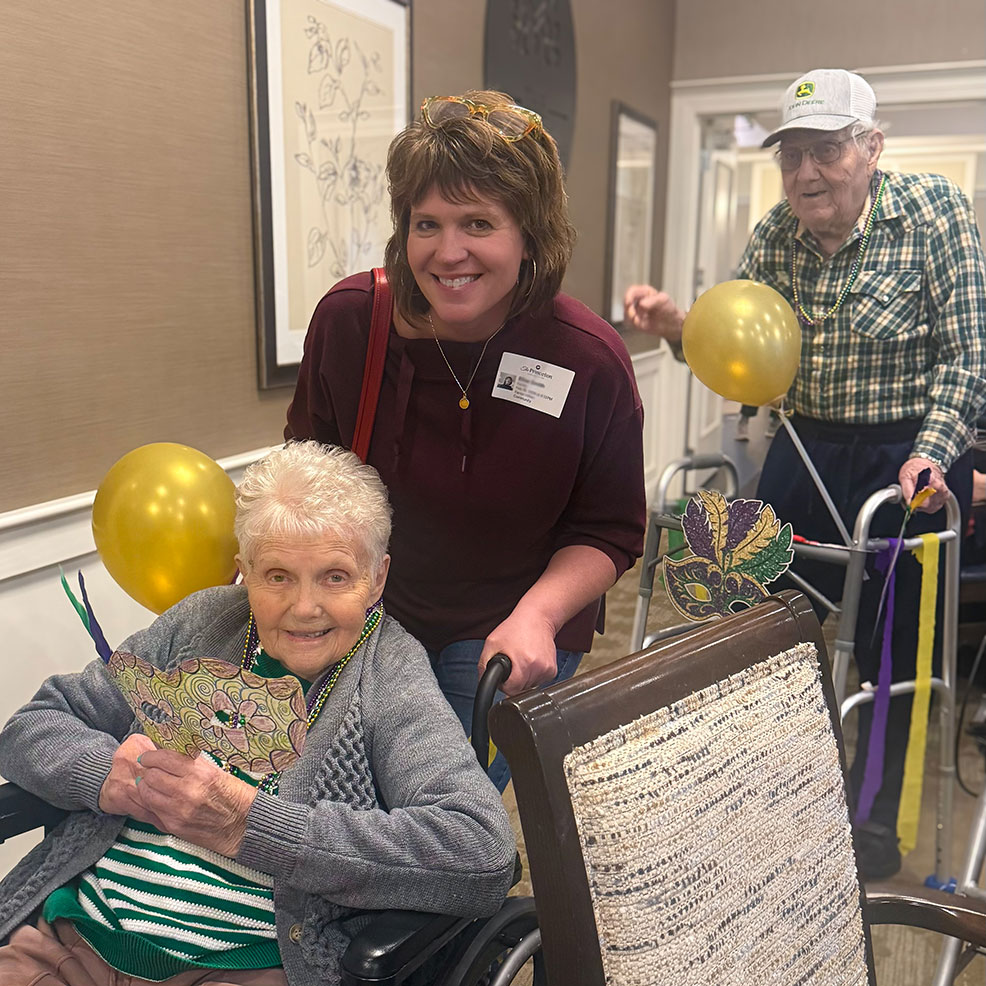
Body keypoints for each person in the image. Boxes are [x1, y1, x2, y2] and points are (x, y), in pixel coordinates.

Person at [624, 68, 986, 878]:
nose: (806, 175)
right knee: (759, 622)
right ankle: (776, 793)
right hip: (805, 441)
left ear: (871, 148)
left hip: (912, 455)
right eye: (792, 157)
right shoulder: (773, 234)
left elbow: (970, 354)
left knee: (895, 653)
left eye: (826, 151)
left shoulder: (934, 215)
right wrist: (680, 327)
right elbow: (740, 346)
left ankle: (871, 826)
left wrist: (935, 448)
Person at [0, 441, 515, 986]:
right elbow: (30, 727)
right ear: (244, 571)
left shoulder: (388, 674)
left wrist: (249, 823)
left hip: (241, 967)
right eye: (277, 576)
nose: (305, 607)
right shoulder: (204, 622)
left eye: (335, 577)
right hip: (74, 941)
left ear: (378, 578)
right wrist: (103, 774)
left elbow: (479, 852)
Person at [286, 90, 646, 788]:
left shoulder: (586, 359)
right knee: (326, 800)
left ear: (530, 234)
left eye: (478, 223)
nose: (449, 253)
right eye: (428, 224)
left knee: (432, 818)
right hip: (372, 613)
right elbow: (311, 469)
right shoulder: (352, 324)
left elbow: (609, 528)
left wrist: (538, 618)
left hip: (506, 625)